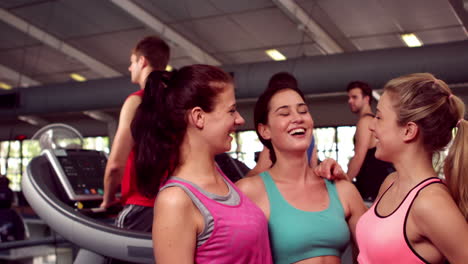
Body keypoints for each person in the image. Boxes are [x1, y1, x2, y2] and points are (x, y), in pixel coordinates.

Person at [131, 65, 273, 263]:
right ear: (198, 117)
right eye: (231, 111)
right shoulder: (175, 201)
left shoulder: (221, 178)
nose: (240, 119)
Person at [237, 72, 367, 264]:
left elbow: (373, 251)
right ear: (265, 130)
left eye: (303, 111)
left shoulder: (341, 189)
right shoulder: (250, 191)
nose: (297, 118)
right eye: (284, 113)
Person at [355, 73, 468, 263]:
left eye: (379, 117)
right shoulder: (390, 183)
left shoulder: (431, 203)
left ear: (408, 131)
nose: (371, 126)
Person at [100, 35, 170, 233]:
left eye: (132, 62)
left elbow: (115, 165)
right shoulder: (177, 101)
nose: (130, 68)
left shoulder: (136, 102)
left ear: (142, 61)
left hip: (142, 207)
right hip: (176, 205)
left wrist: (107, 200)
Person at [346, 81, 394, 201]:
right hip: (375, 186)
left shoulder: (365, 121)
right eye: (349, 97)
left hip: (372, 188)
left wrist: (344, 184)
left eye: (354, 97)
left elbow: (358, 157)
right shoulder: (371, 120)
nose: (350, 101)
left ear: (366, 99)